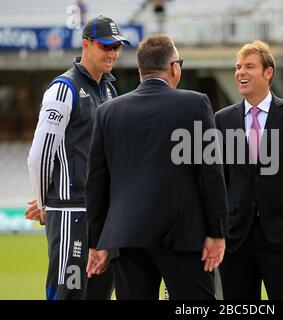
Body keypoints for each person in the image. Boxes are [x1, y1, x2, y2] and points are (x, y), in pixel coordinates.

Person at [85, 34, 228, 300]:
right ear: (174, 67)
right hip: (183, 237)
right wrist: (217, 232)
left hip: (125, 237)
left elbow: (96, 182)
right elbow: (211, 173)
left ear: (141, 70)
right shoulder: (195, 104)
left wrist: (97, 241)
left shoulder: (107, 112)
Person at [26, 15, 129, 300]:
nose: (113, 53)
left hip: (104, 215)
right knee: (68, 294)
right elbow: (40, 153)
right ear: (85, 44)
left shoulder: (109, 90)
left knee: (98, 294)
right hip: (71, 211)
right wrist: (45, 201)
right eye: (106, 46)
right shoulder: (63, 88)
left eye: (116, 47)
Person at [214, 40, 283, 300]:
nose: (240, 73)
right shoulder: (222, 119)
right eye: (238, 67)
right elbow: (218, 179)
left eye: (249, 66)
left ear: (268, 72)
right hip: (236, 237)